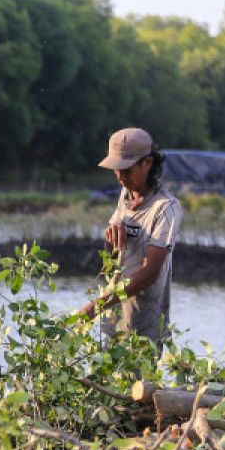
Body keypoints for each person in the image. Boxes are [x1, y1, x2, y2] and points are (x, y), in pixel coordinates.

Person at [75, 127, 183, 351]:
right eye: (116, 170)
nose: (120, 177)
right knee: (103, 380)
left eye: (126, 170)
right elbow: (114, 255)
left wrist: (95, 307)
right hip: (114, 316)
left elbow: (149, 272)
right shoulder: (125, 195)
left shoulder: (165, 208)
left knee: (135, 383)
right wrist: (113, 235)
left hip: (143, 325)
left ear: (147, 163)